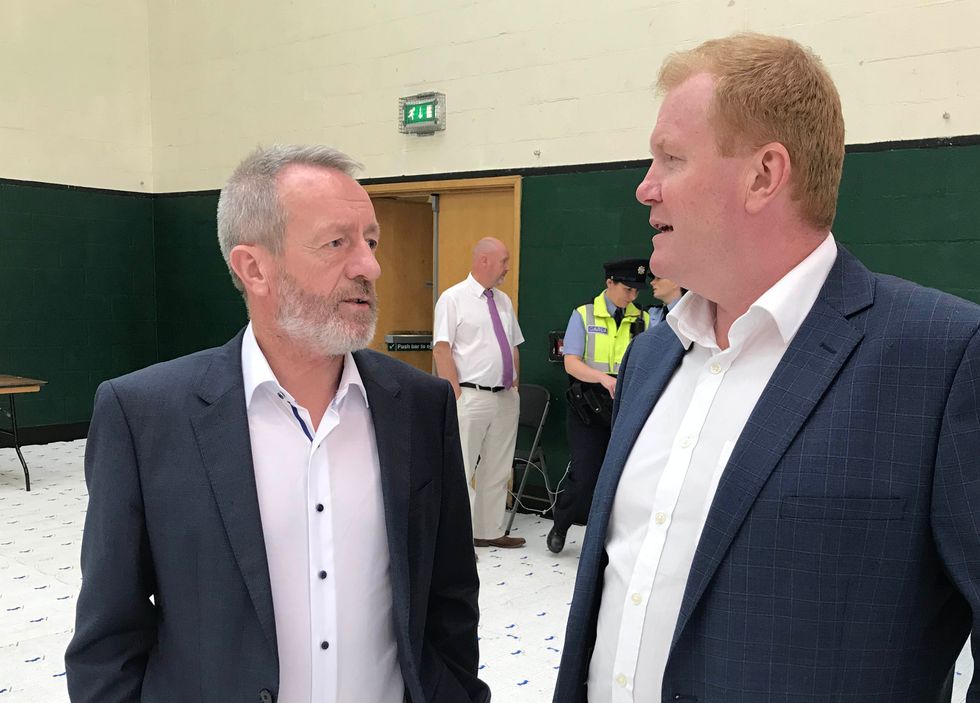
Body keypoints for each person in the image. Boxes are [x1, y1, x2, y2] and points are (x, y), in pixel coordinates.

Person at [555, 33, 980, 703]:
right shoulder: (652, 356)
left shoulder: (943, 357)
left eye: (671, 158)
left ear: (764, 175)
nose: (644, 188)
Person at [65, 145, 489, 703]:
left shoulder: (420, 405)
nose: (369, 267)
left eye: (371, 241)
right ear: (254, 268)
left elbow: (450, 601)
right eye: (337, 243)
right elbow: (108, 638)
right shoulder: (145, 415)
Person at [547, 259, 650, 554]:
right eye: (627, 289)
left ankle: (606, 540)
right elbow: (571, 363)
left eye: (636, 291)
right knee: (585, 473)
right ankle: (561, 524)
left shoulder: (643, 318)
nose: (632, 296)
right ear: (610, 283)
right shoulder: (584, 315)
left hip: (626, 404)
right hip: (589, 404)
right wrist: (603, 378)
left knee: (622, 476)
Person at [432, 238, 525, 549]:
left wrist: (514, 384)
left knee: (498, 468)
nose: (507, 268)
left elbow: (513, 345)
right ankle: (456, 539)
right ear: (484, 260)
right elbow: (441, 349)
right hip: (470, 396)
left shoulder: (503, 301)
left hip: (504, 396)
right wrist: (456, 395)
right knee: (461, 467)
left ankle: (488, 531)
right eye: (504, 261)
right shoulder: (453, 298)